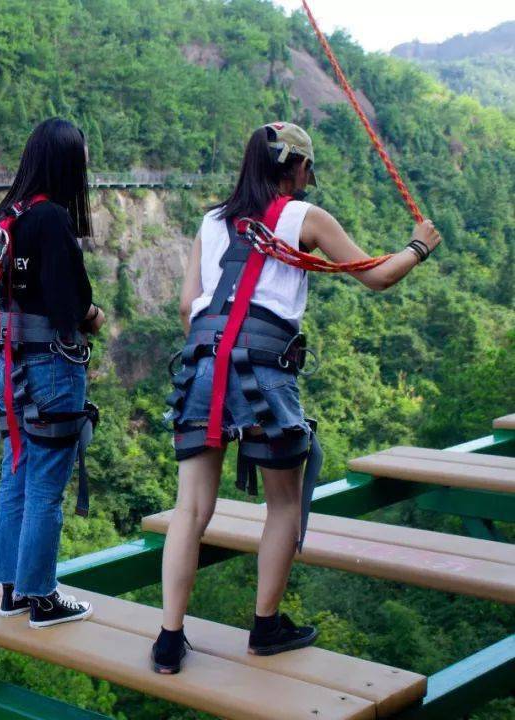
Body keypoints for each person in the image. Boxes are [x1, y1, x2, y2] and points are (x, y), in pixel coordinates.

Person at [154, 122, 442, 673]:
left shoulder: (212, 223)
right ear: (293, 167)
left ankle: (169, 639)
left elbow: (189, 305)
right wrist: (418, 246)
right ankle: (265, 627)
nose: (310, 178)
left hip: (202, 365)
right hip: (262, 367)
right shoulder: (304, 218)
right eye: (308, 167)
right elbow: (378, 276)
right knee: (283, 501)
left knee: (190, 509)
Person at [0, 118, 106, 628]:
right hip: (51, 368)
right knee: (45, 488)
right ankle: (43, 597)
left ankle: (14, 589)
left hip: (9, 367)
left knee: (15, 474)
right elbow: (70, 304)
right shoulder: (52, 220)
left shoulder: (6, 217)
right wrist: (94, 317)